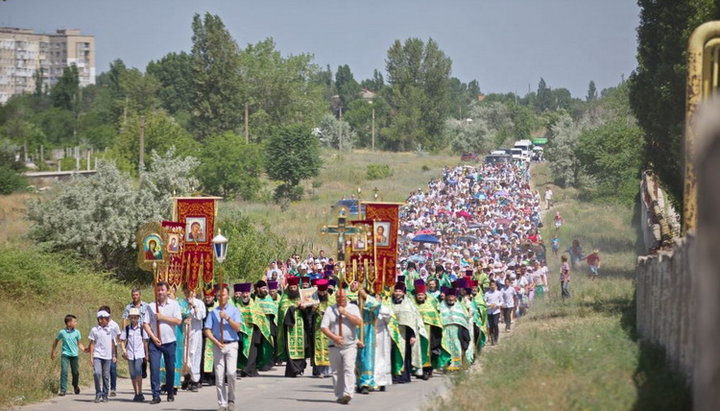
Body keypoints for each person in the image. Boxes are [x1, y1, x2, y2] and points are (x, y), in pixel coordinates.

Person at [203, 284, 243, 411]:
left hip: (231, 344)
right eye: (219, 295)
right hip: (218, 345)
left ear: (228, 295)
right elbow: (207, 330)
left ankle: (231, 398)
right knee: (219, 376)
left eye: (223, 295)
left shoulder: (234, 310)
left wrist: (227, 318)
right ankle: (222, 403)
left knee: (231, 373)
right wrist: (215, 341)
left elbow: (238, 328)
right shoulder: (213, 312)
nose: (221, 297)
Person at [320, 287, 363, 405]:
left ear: (346, 297)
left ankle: (348, 393)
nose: (340, 299)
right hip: (334, 346)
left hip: (350, 345)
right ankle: (339, 395)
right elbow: (324, 327)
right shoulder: (330, 309)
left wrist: (345, 313)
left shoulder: (353, 308)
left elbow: (359, 322)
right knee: (337, 372)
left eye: (342, 297)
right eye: (338, 297)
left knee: (348, 368)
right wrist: (334, 337)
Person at [143, 281, 182, 405]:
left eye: (162, 290)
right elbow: (145, 324)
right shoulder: (151, 306)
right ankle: (156, 394)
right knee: (154, 369)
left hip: (169, 341)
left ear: (167, 291)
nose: (160, 292)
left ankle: (170, 390)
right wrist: (153, 337)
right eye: (158, 290)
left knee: (170, 368)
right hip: (155, 342)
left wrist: (162, 317)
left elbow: (178, 321)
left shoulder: (174, 305)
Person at [388, 279, 426, 384]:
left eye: (400, 291)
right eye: (396, 291)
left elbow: (413, 322)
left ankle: (404, 376)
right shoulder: (389, 303)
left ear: (403, 293)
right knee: (392, 355)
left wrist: (413, 336)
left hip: (405, 334)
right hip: (393, 333)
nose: (397, 293)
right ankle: (394, 375)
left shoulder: (408, 304)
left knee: (406, 354)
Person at [233, 282, 273, 377]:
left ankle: (250, 370)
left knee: (253, 352)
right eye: (243, 293)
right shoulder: (237, 306)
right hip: (242, 333)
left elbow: (260, 318)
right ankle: (245, 369)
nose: (245, 295)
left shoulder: (254, 305)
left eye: (247, 293)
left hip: (254, 333)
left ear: (250, 293)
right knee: (242, 351)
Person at [277, 276, 311, 377]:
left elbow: (309, 311)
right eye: (291, 288)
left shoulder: (302, 296)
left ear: (297, 287)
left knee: (302, 346)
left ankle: (300, 369)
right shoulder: (285, 298)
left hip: (301, 325)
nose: (292, 289)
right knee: (290, 349)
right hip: (289, 328)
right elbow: (283, 310)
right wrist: (295, 306)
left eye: (294, 287)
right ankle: (292, 370)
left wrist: (305, 308)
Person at [412, 280, 442, 379]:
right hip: (415, 331)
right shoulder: (412, 304)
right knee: (416, 349)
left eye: (422, 295)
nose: (420, 297)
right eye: (418, 295)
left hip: (428, 330)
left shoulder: (430, 304)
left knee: (427, 350)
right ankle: (416, 369)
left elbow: (435, 316)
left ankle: (427, 369)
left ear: (425, 295)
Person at [354, 286, 381, 393]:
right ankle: (358, 381)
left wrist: (365, 296)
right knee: (358, 357)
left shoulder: (374, 300)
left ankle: (366, 382)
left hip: (368, 329)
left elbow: (376, 305)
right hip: (356, 329)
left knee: (367, 357)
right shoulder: (354, 301)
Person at [51, 314, 85, 396]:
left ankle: (75, 385)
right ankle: (63, 390)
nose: (76, 323)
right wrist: (53, 351)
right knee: (64, 371)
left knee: (75, 372)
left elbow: (79, 344)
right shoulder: (62, 332)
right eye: (74, 321)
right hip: (65, 354)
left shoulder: (77, 332)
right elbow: (56, 341)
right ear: (69, 323)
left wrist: (84, 349)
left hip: (74, 355)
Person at [180, 284, 206, 391]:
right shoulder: (181, 303)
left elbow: (201, 316)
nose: (187, 294)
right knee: (185, 356)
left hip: (195, 332)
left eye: (189, 292)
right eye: (185, 292)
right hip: (185, 332)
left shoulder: (199, 303)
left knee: (194, 354)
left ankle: (195, 380)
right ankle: (187, 375)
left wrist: (194, 306)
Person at [437, 288, 471, 370]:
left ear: (455, 298)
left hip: (456, 330)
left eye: (452, 297)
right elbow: (438, 317)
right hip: (445, 330)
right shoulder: (441, 306)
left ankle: (456, 365)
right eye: (449, 296)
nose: (451, 298)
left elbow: (464, 318)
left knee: (457, 347)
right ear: (446, 297)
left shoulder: (459, 306)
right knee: (445, 347)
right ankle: (446, 365)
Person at [120, 307, 149, 402]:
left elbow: (145, 342)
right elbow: (122, 341)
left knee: (138, 373)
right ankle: (136, 392)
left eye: (135, 317)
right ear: (129, 318)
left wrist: (146, 354)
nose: (133, 319)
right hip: (130, 354)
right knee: (132, 374)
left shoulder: (142, 329)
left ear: (138, 318)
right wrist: (124, 351)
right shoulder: (127, 329)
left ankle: (140, 392)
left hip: (139, 354)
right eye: (131, 317)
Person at [88, 310, 117, 403]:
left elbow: (113, 343)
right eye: (106, 318)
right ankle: (98, 393)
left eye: (108, 318)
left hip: (108, 356)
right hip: (97, 355)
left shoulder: (111, 329)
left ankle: (105, 394)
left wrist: (114, 355)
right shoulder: (94, 330)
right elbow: (92, 344)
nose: (108, 320)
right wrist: (91, 357)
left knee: (105, 376)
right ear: (100, 319)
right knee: (97, 373)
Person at [311, 279, 334, 378]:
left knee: (329, 347)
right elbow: (309, 314)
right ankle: (319, 371)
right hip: (317, 328)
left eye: (323, 291)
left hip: (330, 328)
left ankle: (329, 370)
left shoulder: (332, 300)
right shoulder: (314, 299)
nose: (321, 293)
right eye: (320, 292)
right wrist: (312, 310)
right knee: (318, 347)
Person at [254, 280, 278, 370]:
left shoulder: (268, 298)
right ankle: (258, 363)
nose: (265, 290)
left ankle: (267, 363)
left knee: (268, 344)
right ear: (258, 289)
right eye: (263, 288)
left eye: (265, 288)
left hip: (268, 324)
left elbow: (273, 310)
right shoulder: (254, 298)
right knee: (258, 345)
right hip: (257, 326)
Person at [98, 305, 121, 397]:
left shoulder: (114, 325)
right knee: (104, 371)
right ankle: (104, 389)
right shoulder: (99, 325)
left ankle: (113, 388)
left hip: (112, 348)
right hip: (102, 348)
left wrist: (117, 345)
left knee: (112, 369)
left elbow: (118, 335)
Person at [373, 297, 393, 392]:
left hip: (381, 335)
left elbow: (388, 318)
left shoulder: (384, 308)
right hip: (370, 333)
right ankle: (370, 380)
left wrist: (379, 308)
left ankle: (382, 381)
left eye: (378, 298)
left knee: (381, 358)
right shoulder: (368, 306)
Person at [484, 281, 502, 345]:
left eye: (494, 285)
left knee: (495, 324)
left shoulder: (499, 293)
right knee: (491, 326)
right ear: (489, 286)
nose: (492, 286)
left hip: (496, 311)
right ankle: (492, 338)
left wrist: (497, 305)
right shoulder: (487, 293)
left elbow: (501, 301)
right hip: (489, 311)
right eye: (491, 285)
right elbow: (484, 302)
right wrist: (489, 305)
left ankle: (496, 338)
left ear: (496, 286)